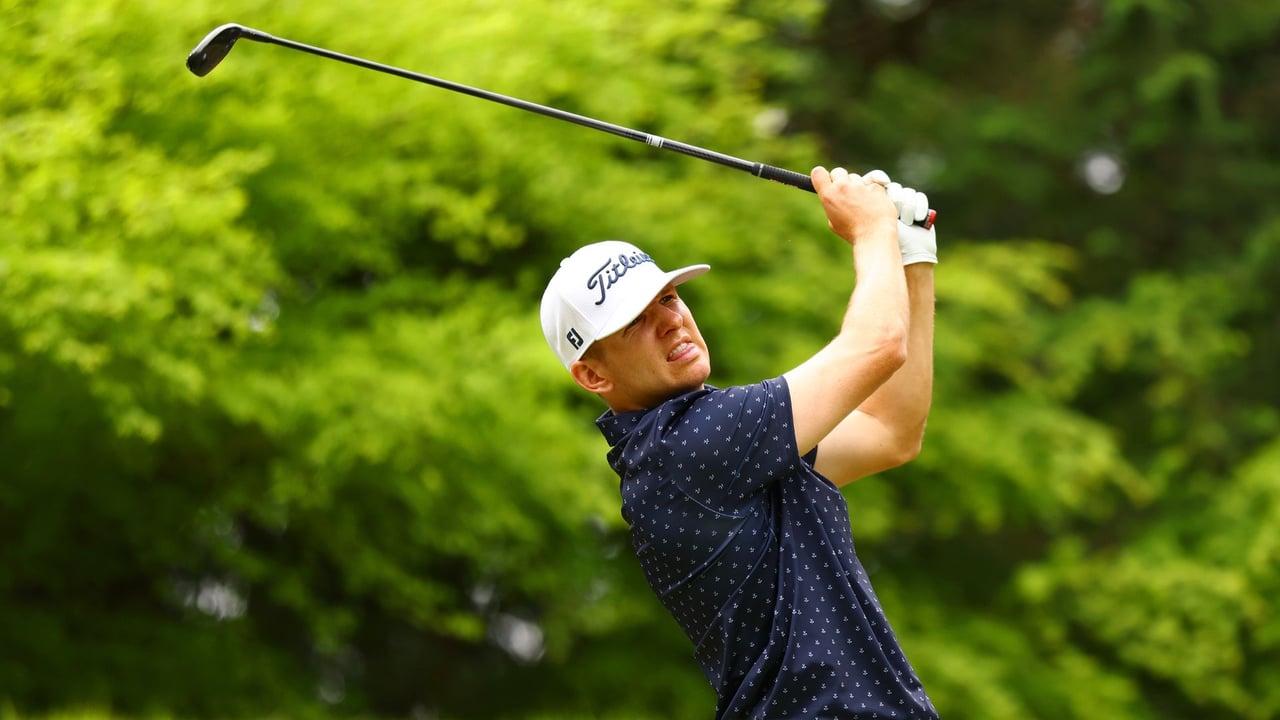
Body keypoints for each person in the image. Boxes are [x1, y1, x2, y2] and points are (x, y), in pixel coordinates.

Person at [540, 166, 940, 719]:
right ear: (592, 376)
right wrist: (872, 232)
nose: (671, 322)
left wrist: (910, 254)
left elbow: (891, 431)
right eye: (634, 321)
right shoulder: (685, 444)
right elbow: (878, 345)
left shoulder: (715, 450)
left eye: (668, 298)